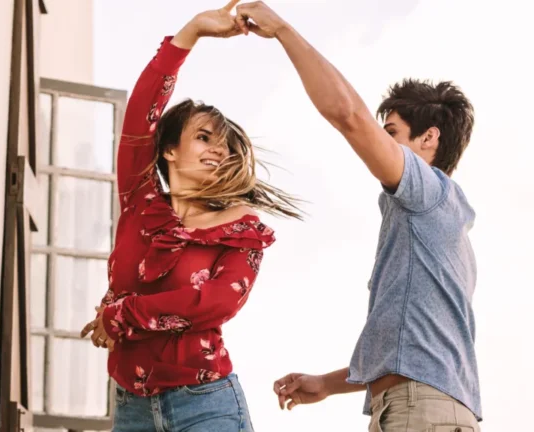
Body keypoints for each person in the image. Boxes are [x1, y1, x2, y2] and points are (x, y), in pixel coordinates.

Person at [233, 2, 481, 431]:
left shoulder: (427, 191)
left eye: (390, 135)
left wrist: (284, 31)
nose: (379, 146)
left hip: (419, 412)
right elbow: (413, 344)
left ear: (429, 139)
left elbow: (348, 116)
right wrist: (329, 384)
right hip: (416, 407)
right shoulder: (441, 225)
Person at [78, 1, 301, 431]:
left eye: (224, 144)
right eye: (202, 137)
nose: (217, 149)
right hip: (131, 409)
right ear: (168, 150)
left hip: (207, 406)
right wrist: (192, 32)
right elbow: (142, 110)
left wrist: (121, 315)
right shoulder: (141, 203)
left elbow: (214, 303)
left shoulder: (242, 228)